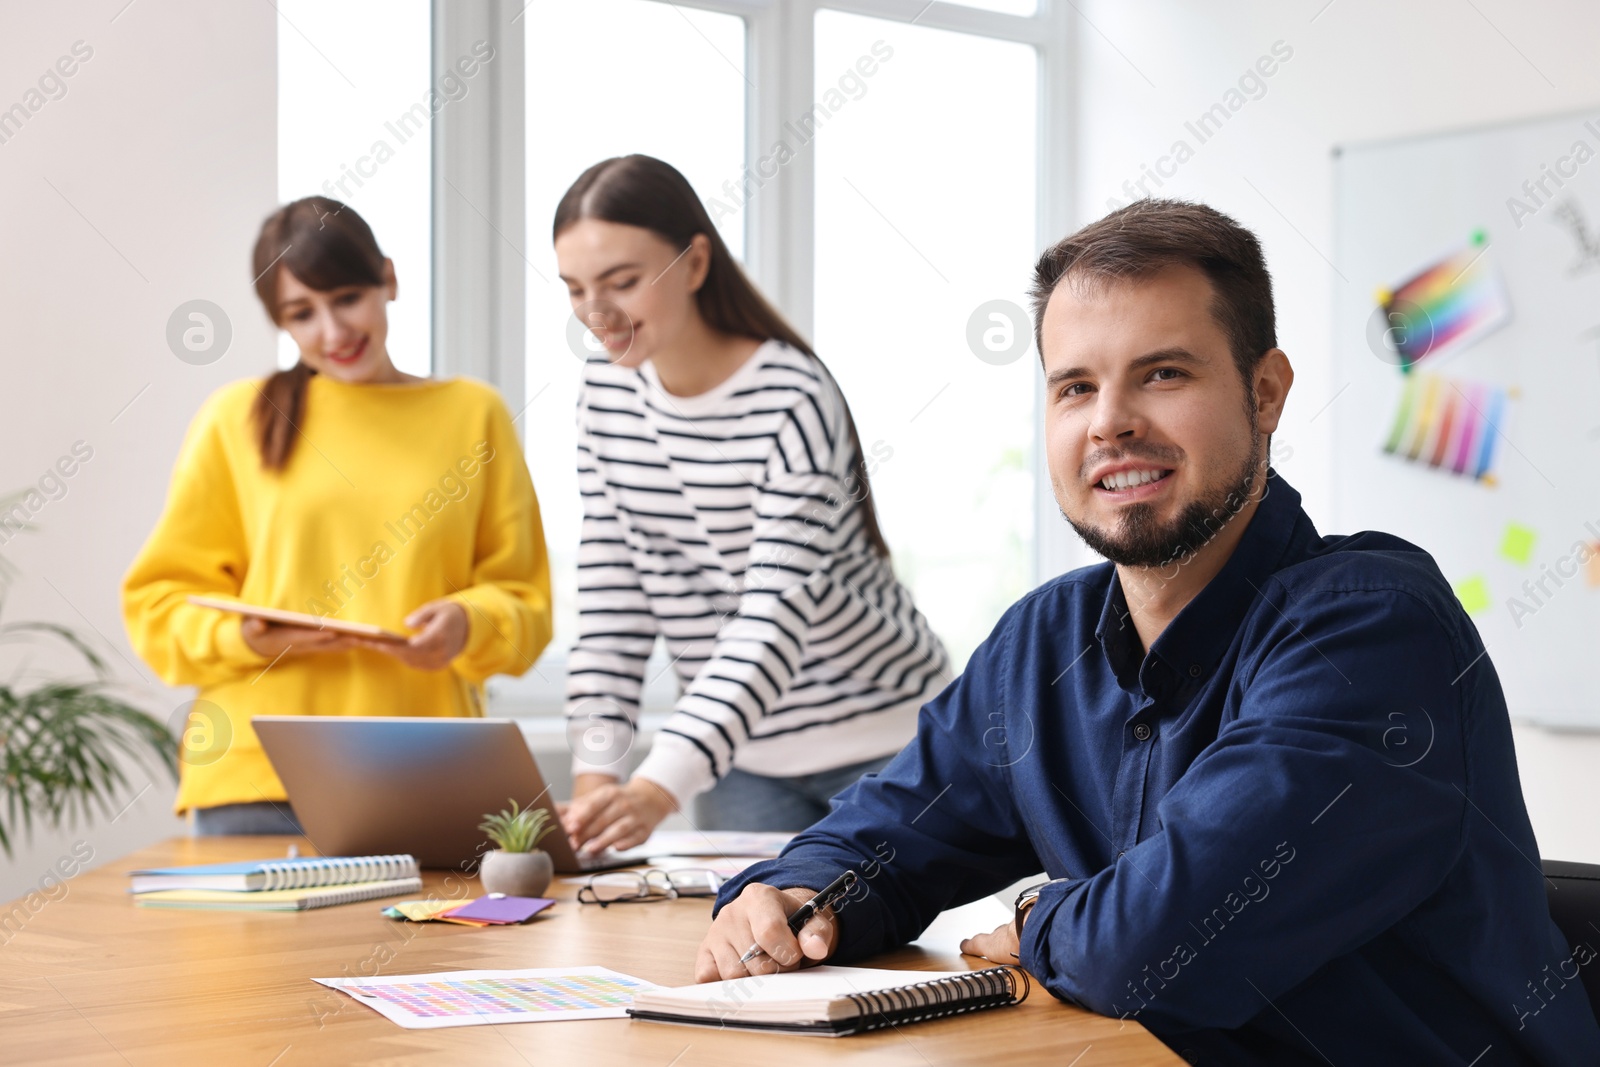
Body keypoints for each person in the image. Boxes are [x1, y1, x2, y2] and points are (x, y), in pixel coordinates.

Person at [696, 199, 1600, 1064]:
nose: (1111, 422)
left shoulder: (1371, 633)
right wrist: (797, 895)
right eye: (1075, 387)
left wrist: (1039, 918)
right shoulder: (1043, 644)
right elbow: (886, 831)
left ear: (1267, 391)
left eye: (1162, 374)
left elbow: (1159, 949)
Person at [553, 155, 950, 855]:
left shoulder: (791, 396)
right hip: (741, 757)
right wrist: (596, 779)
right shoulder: (606, 394)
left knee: (890, 953)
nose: (598, 313)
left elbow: (774, 613)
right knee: (751, 954)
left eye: (622, 282)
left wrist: (656, 786)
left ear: (696, 262)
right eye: (576, 288)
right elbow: (614, 597)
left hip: (883, 741)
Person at [123, 197, 552, 835]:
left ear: (389, 279)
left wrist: (469, 622)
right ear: (282, 323)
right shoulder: (236, 418)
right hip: (256, 778)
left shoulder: (473, 413)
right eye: (302, 313)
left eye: (347, 298)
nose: (332, 331)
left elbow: (528, 609)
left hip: (428, 772)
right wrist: (247, 638)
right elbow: (157, 607)